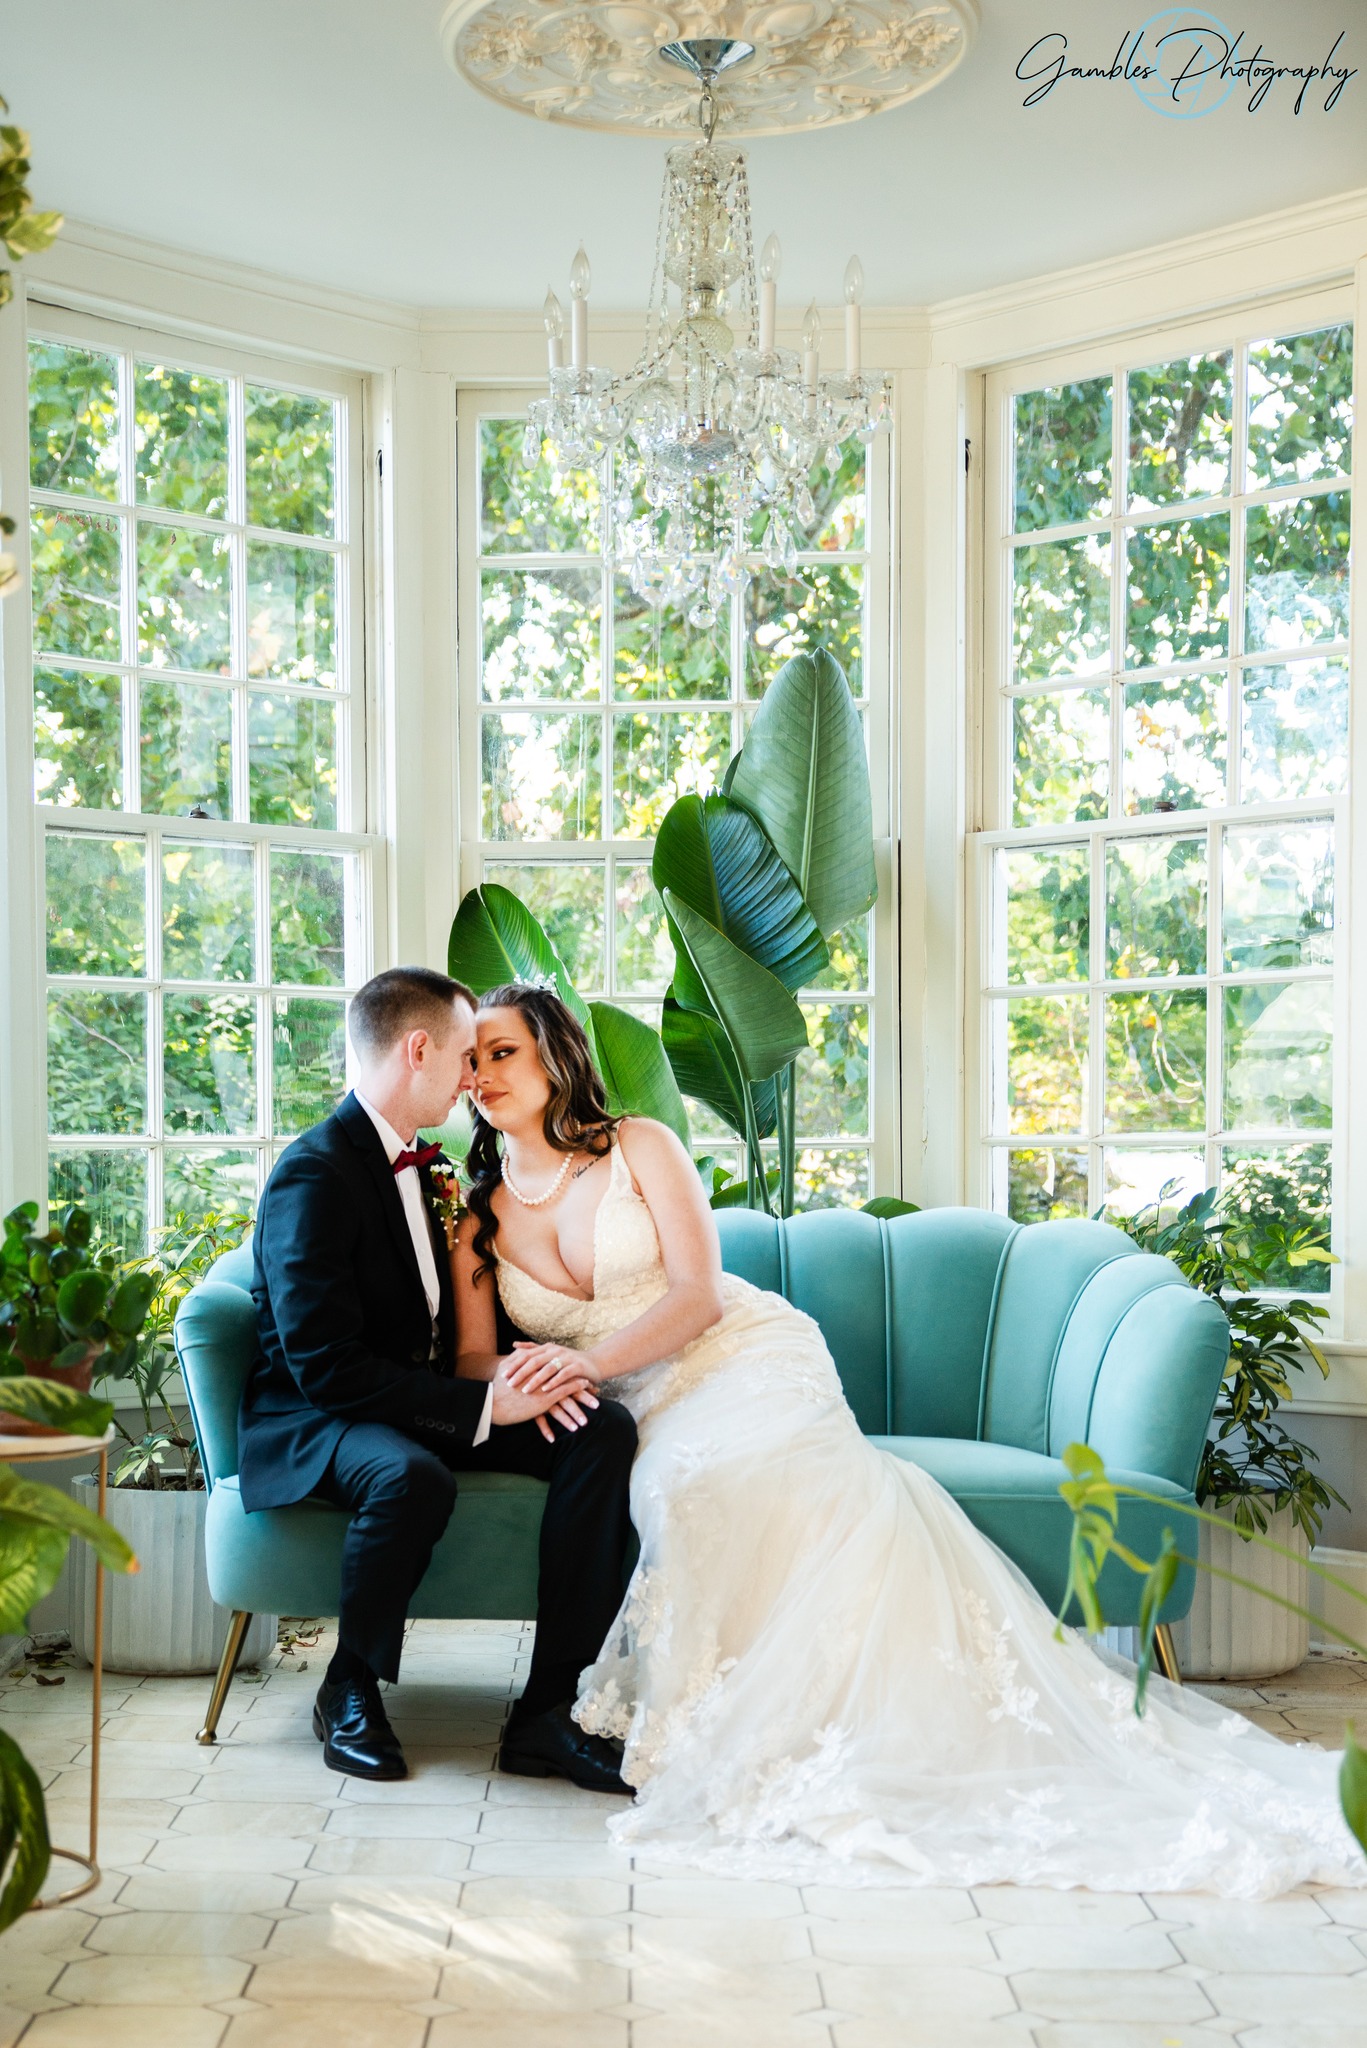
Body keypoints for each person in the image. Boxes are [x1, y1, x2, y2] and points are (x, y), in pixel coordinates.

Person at [453, 981, 1367, 1897]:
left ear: (554, 1056)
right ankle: (717, 1720)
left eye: (504, 1051)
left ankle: (818, 1722)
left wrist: (581, 1364)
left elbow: (695, 1294)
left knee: (729, 1474)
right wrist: (528, 1378)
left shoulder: (639, 1148)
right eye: (472, 1060)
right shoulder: (475, 1216)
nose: (486, 1074)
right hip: (634, 1394)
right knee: (669, 1489)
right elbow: (473, 1360)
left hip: (737, 1353)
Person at [240, 966, 637, 1791]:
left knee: (600, 1428)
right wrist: (484, 1405)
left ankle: (548, 1713)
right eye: (464, 1057)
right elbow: (325, 1369)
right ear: (417, 1050)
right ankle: (347, 1687)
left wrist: (519, 1378)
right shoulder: (314, 1173)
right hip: (320, 1415)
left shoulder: (435, 1168)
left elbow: (466, 1322)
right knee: (409, 1477)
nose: (473, 1078)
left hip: (416, 1400)